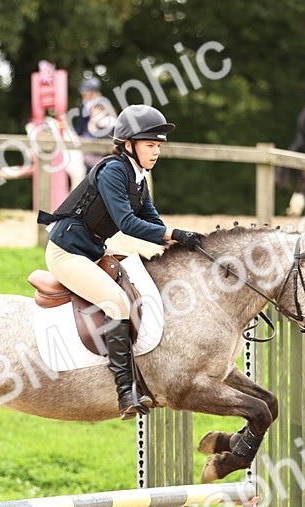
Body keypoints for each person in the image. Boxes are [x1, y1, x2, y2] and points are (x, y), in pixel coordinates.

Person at [37, 105, 204, 419]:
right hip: (67, 253)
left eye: (158, 146)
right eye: (150, 145)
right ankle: (126, 391)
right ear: (129, 144)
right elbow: (127, 224)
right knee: (116, 302)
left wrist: (184, 242)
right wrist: (175, 233)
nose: (156, 152)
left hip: (93, 251)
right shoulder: (113, 171)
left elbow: (152, 221)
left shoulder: (138, 178)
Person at [75, 77, 116, 172]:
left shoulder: (102, 103)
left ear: (93, 91)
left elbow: (108, 126)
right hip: (87, 139)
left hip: (101, 140)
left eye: (86, 91)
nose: (83, 93)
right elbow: (81, 125)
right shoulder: (85, 104)